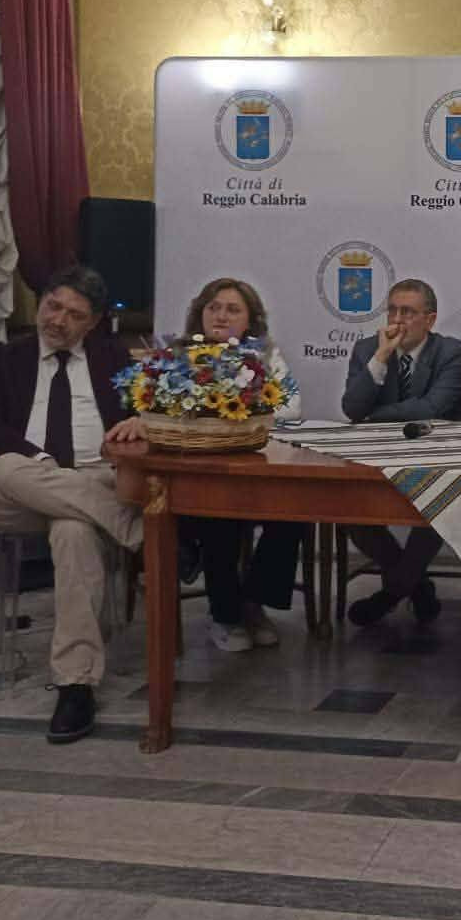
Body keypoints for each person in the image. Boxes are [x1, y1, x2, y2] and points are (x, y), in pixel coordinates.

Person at [0, 265, 144, 744]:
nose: (58, 320)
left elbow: (147, 413)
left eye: (74, 314)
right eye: (53, 306)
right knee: (6, 466)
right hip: (16, 489)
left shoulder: (114, 358)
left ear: (94, 322)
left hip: (93, 482)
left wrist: (140, 422)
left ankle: (75, 683)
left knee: (73, 530)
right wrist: (40, 462)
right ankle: (136, 531)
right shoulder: (2, 358)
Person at [177, 278, 305, 653]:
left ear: (250, 321)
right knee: (219, 513)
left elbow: (292, 408)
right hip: (195, 476)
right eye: (213, 307)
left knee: (295, 510)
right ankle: (225, 615)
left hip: (256, 470)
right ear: (200, 313)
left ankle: (254, 602)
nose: (221, 316)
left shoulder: (266, 356)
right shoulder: (178, 356)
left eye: (233, 310)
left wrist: (236, 412)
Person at [341, 278, 461, 624]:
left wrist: (374, 416)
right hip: (377, 459)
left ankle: (391, 592)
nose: (398, 320)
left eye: (408, 312)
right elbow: (352, 408)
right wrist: (381, 356)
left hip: (434, 460)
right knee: (348, 509)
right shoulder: (368, 350)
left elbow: (432, 407)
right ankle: (415, 586)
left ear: (430, 319)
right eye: (393, 311)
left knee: (437, 507)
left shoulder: (451, 352)